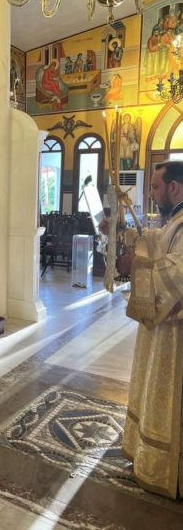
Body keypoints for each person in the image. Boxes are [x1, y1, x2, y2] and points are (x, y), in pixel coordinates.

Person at [100, 159, 183, 499]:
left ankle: (170, 471)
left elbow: (177, 274)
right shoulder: (176, 220)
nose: (151, 193)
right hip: (165, 331)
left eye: (155, 187)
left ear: (174, 187)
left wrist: (135, 265)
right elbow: (156, 240)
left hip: (176, 335)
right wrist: (119, 230)